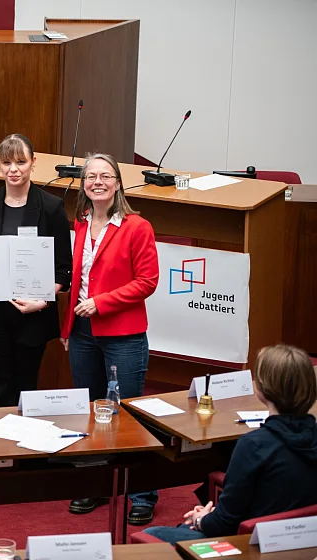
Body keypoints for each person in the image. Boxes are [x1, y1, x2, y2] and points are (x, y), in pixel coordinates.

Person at [58, 153, 159, 524]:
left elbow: (147, 282)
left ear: (118, 183)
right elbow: (78, 282)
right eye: (90, 177)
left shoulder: (137, 226)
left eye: (105, 176)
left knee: (129, 414)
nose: (97, 182)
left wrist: (101, 303)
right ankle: (98, 485)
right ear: (83, 184)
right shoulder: (81, 222)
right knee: (92, 413)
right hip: (83, 334)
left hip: (123, 335)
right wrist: (69, 329)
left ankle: (143, 493)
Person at [143, 344, 317, 544]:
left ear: (261, 390)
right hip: (305, 541)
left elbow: (224, 525)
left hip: (250, 545)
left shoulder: (253, 446)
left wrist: (202, 519)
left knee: (152, 536)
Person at [0, 134, 72, 407]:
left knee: (26, 390)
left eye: (20, 162)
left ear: (34, 163)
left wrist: (43, 299)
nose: (14, 169)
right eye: (7, 162)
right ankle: (0, 449)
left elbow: (64, 270)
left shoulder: (51, 207)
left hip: (32, 315)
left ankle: (22, 449)